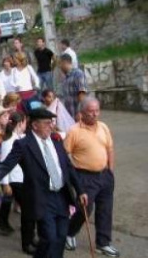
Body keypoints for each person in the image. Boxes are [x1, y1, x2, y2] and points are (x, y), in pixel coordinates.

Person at [0, 108, 88, 258]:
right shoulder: (23, 145)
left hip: (61, 196)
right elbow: (4, 167)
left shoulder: (56, 142)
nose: (51, 126)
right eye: (47, 123)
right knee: (49, 238)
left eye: (52, 122)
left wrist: (80, 190)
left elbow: (69, 168)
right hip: (42, 198)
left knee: (60, 237)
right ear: (34, 125)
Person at [64, 97, 120, 257]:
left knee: (105, 209)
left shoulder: (103, 127)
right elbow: (64, 155)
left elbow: (110, 149)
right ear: (82, 113)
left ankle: (103, 243)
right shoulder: (74, 131)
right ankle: (69, 232)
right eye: (91, 111)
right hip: (84, 176)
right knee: (84, 209)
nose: (95, 114)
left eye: (97, 110)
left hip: (105, 175)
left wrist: (110, 171)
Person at [0, 112, 38, 254]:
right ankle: (27, 243)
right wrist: (5, 183)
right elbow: (4, 164)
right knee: (28, 213)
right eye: (25, 122)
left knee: (30, 211)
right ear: (20, 124)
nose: (26, 125)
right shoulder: (9, 142)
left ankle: (31, 238)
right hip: (16, 181)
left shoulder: (19, 137)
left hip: (23, 179)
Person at [59, 54, 88, 118]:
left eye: (60, 64)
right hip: (69, 116)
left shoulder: (78, 74)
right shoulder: (65, 78)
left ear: (65, 62)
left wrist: (80, 112)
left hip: (78, 115)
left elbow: (82, 93)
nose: (59, 66)